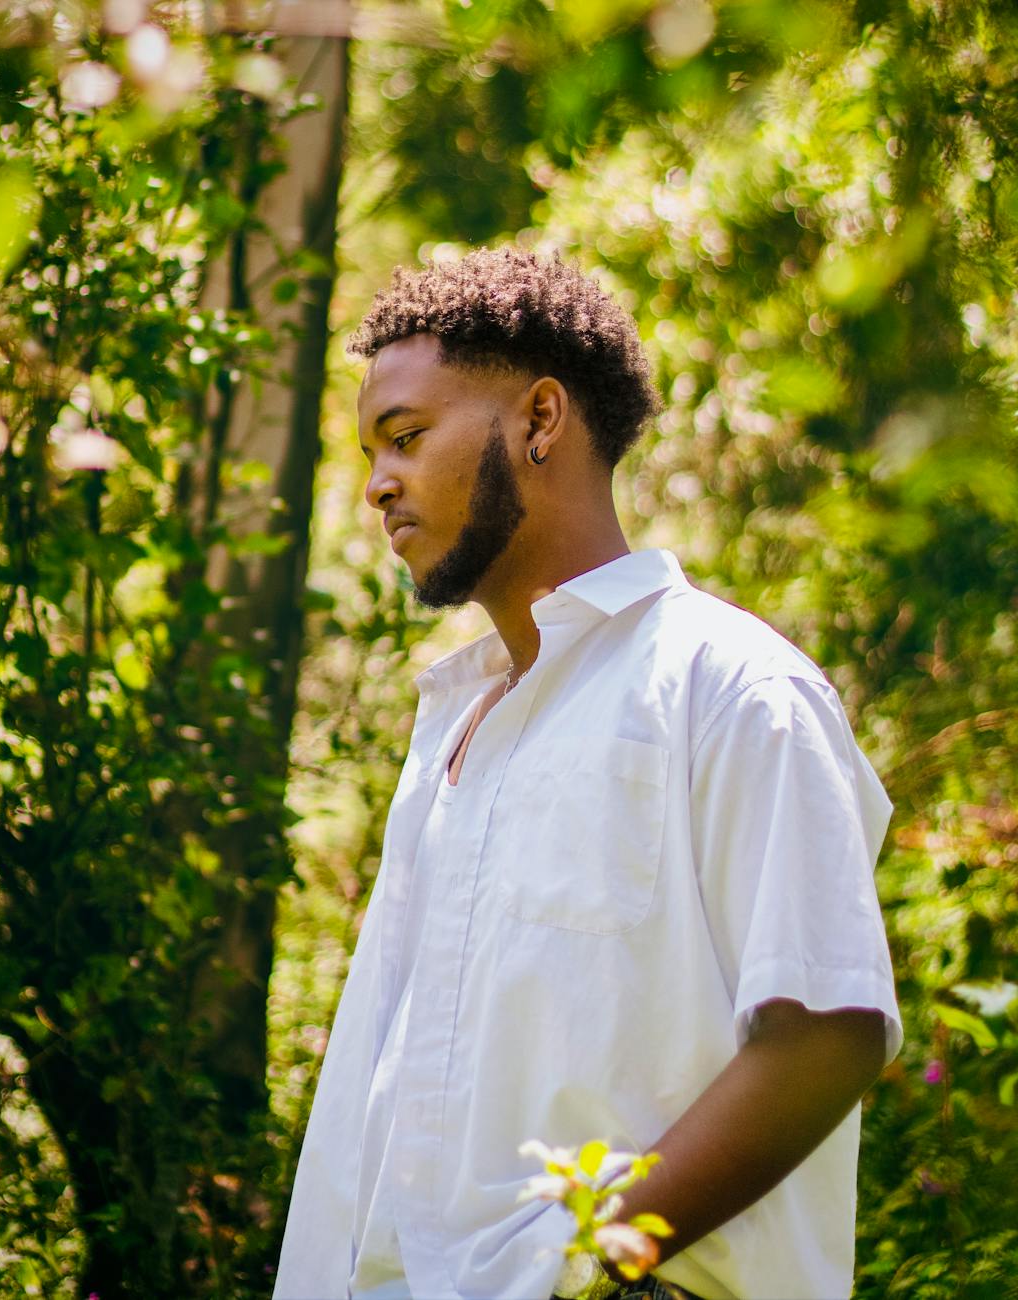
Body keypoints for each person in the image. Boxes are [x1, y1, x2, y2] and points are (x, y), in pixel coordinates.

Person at [273, 247, 902, 1300]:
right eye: (369, 452)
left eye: (406, 436)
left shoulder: (731, 688)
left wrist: (583, 1267)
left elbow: (825, 1030)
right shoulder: (448, 733)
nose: (377, 483)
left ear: (540, 420)